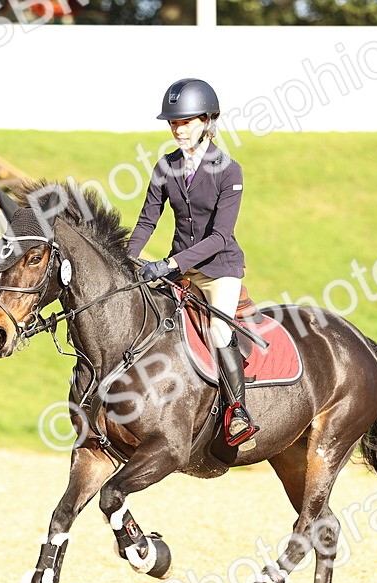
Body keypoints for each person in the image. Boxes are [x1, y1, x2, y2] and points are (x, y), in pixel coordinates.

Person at [128, 77, 259, 450]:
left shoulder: (229, 171)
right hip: (180, 269)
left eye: (184, 122)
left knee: (219, 331)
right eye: (173, 123)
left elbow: (219, 237)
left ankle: (238, 411)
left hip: (220, 270)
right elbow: (146, 221)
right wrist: (128, 257)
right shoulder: (165, 166)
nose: (177, 129)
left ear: (206, 121)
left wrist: (168, 263)